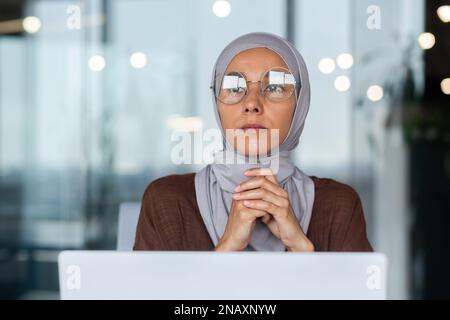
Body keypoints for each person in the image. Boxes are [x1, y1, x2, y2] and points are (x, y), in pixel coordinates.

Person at [134, 32, 372, 252]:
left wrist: (300, 246)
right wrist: (227, 247)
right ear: (216, 102)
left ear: (299, 105)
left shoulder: (339, 206)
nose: (252, 103)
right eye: (234, 87)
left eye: (276, 87)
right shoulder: (167, 202)